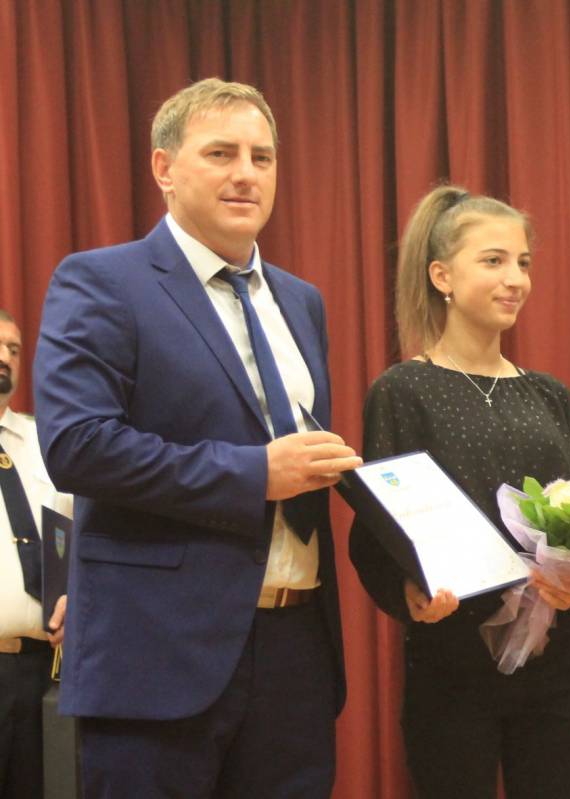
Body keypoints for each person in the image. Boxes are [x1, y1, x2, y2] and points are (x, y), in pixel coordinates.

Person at [33, 78, 361, 797]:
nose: (246, 173)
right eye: (221, 153)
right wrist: (254, 473)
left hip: (296, 650)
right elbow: (77, 445)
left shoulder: (302, 301)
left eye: (262, 157)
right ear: (164, 168)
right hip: (156, 655)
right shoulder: (102, 281)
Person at [349, 185, 570, 798]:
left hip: (555, 665)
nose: (515, 279)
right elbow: (376, 531)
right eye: (493, 261)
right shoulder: (402, 391)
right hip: (451, 665)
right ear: (442, 276)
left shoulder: (551, 395)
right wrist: (408, 592)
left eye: (523, 262)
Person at [0, 310, 71, 799]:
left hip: (36, 671)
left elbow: (84, 539)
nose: (5, 357)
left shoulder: (49, 446)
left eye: (14, 349)